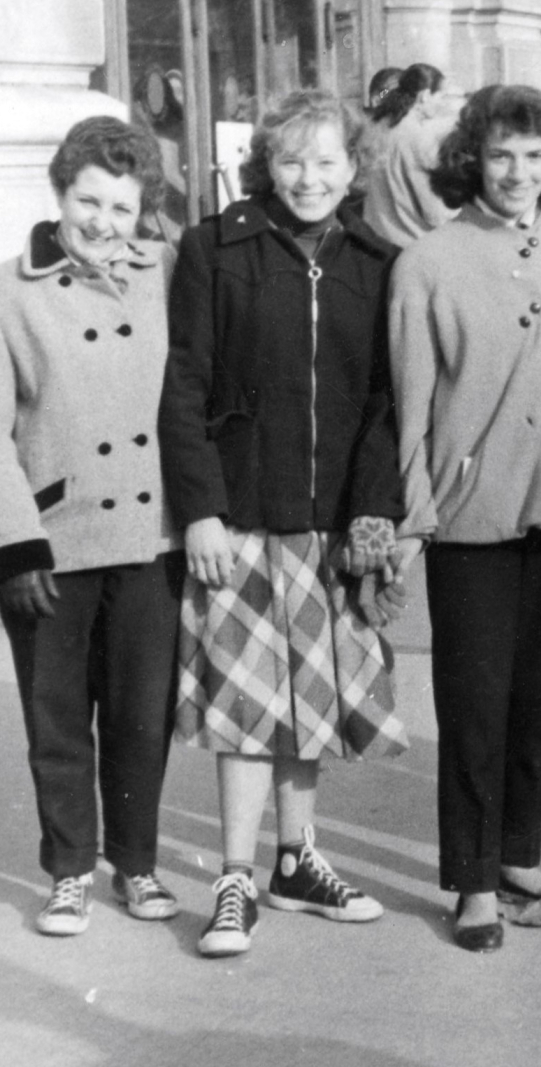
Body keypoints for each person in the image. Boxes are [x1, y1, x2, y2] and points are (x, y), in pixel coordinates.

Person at [158, 90, 409, 959]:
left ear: (353, 170)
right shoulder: (214, 249)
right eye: (293, 161)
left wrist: (372, 513)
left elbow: (385, 402)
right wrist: (200, 510)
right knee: (246, 702)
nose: (309, 178)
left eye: (327, 162)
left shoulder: (377, 264)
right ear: (267, 164)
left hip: (331, 519)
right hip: (242, 518)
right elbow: (183, 387)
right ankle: (234, 877)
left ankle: (297, 863)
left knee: (310, 701)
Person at [389, 84, 541, 953]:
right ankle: (474, 883)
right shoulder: (429, 263)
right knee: (474, 704)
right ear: (470, 163)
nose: (519, 172)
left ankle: (518, 858)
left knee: (537, 701)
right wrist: (413, 518)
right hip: (470, 517)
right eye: (500, 156)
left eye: (533, 156)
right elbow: (411, 404)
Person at [0, 116, 184, 937]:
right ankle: (67, 872)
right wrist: (13, 547)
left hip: (151, 534)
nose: (102, 223)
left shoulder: (167, 272)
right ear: (61, 193)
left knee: (139, 715)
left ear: (143, 213)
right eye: (88, 201)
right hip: (51, 543)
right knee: (56, 719)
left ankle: (136, 864)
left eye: (121, 209)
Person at [362, 62, 459, 246]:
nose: (444, 104)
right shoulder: (419, 137)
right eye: (442, 96)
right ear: (424, 96)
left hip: (373, 241)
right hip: (409, 247)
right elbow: (435, 214)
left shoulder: (377, 125)